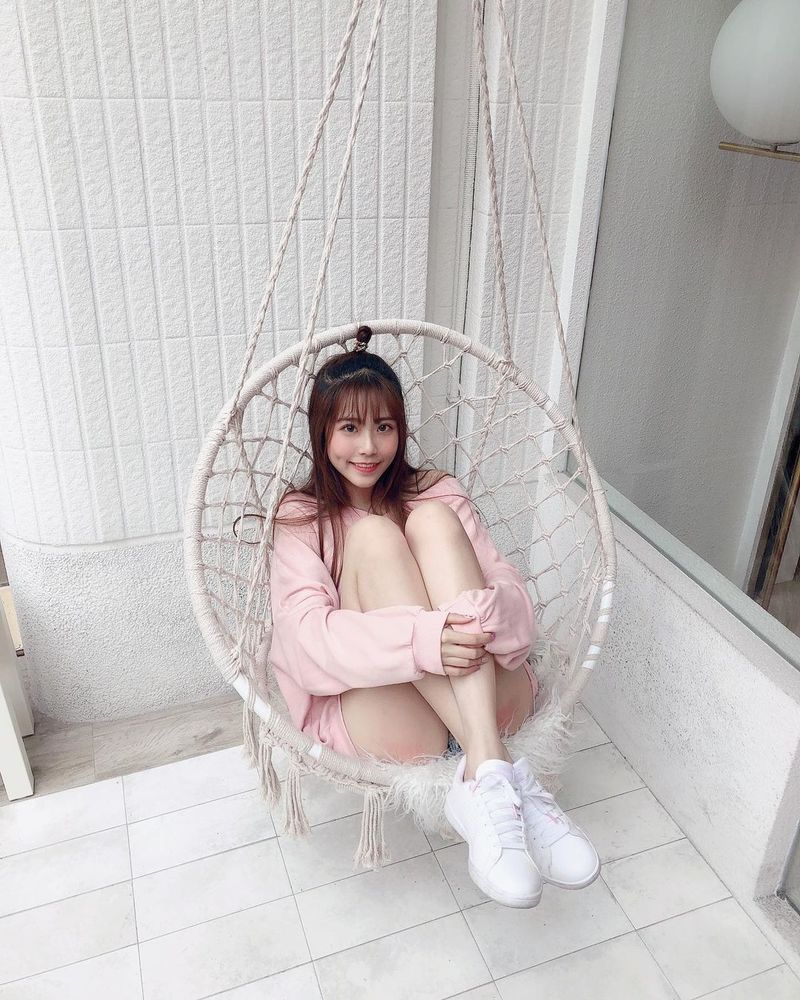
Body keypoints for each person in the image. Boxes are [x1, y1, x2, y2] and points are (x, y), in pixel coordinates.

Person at [269, 325, 599, 907]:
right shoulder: (302, 518)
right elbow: (305, 641)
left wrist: (470, 621)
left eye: (384, 427)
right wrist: (425, 640)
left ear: (401, 430)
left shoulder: (437, 492)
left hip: (493, 697)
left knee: (433, 521)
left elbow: (513, 604)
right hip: (393, 716)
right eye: (349, 428)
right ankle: (504, 775)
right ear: (322, 433)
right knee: (374, 538)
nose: (368, 447)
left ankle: (485, 772)